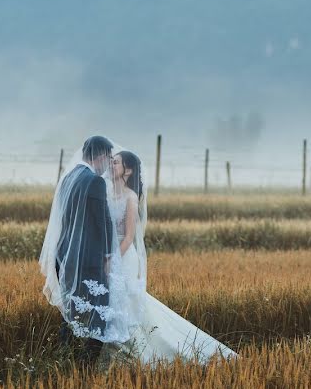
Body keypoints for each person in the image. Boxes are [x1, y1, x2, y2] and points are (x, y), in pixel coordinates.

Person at [100, 149, 238, 366]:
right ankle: (117, 351)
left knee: (125, 301)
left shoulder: (130, 197)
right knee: (113, 302)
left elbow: (128, 236)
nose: (111, 165)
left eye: (116, 163)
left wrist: (113, 259)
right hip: (108, 251)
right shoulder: (107, 192)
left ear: (128, 170)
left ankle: (135, 354)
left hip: (122, 255)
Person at [39, 135, 115, 365]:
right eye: (109, 159)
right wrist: (109, 256)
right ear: (100, 156)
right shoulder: (95, 181)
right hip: (88, 259)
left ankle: (65, 359)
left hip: (64, 254)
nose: (110, 165)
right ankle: (86, 365)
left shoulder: (69, 177)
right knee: (99, 314)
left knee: (71, 311)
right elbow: (102, 223)